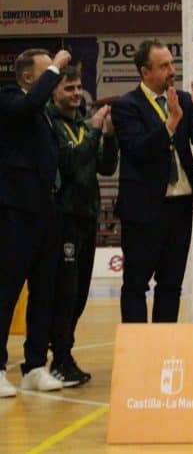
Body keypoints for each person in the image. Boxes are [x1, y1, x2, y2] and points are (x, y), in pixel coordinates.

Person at [113, 40, 193, 324]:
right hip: (143, 209)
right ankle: (137, 353)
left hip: (180, 205)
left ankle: (162, 349)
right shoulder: (126, 105)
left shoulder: (181, 99)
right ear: (145, 71)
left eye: (172, 63)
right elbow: (137, 150)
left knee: (171, 285)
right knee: (136, 285)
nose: (172, 70)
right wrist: (170, 123)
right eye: (164, 65)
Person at [0, 48, 69, 397]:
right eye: (47, 73)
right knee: (7, 290)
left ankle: (35, 365)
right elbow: (27, 106)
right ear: (29, 77)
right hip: (16, 212)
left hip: (47, 212)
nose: (55, 78)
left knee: (44, 292)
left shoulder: (45, 114)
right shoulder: (10, 99)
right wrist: (56, 66)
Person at [47, 67, 118, 386]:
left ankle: (64, 353)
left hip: (87, 216)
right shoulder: (51, 125)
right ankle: (59, 357)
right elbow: (71, 162)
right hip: (62, 219)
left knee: (79, 294)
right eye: (68, 89)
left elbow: (105, 166)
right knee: (65, 292)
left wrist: (109, 135)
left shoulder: (80, 124)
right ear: (53, 93)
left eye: (78, 88)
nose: (76, 94)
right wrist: (93, 131)